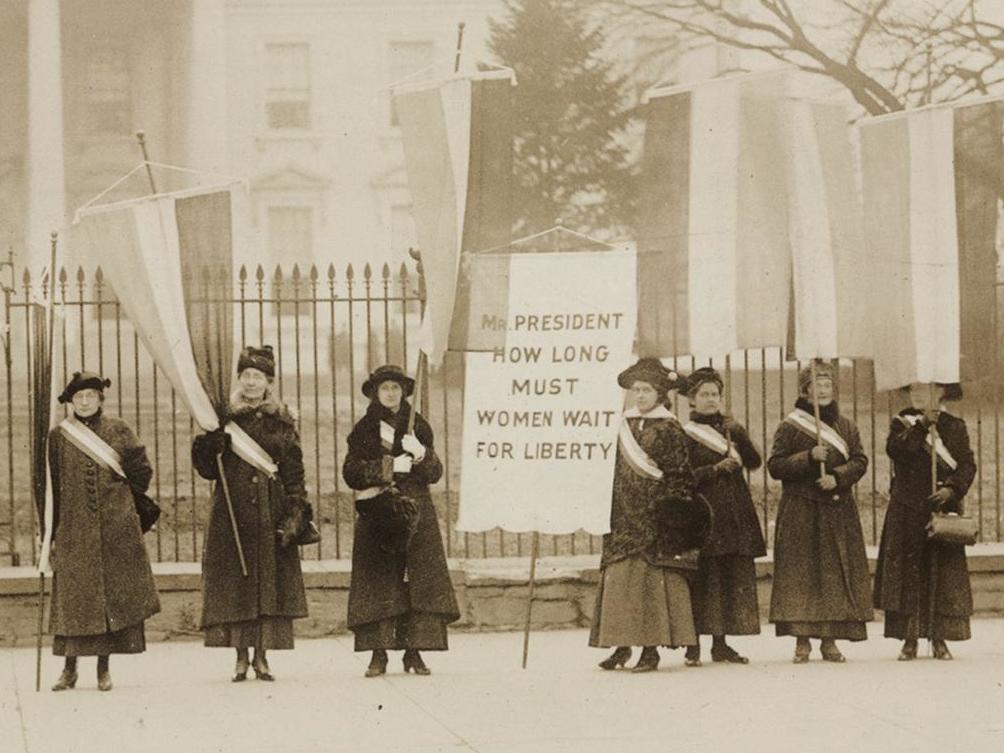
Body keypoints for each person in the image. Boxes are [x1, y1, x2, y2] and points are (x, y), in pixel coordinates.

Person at [192, 346, 309, 682]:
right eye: (246, 376)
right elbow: (206, 470)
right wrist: (208, 446)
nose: (251, 383)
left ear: (269, 382)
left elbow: (293, 467)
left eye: (258, 377)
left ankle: (262, 657)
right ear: (239, 380)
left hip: (271, 510)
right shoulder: (221, 418)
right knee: (237, 585)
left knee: (267, 585)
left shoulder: (282, 420)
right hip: (232, 510)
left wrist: (296, 508)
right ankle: (240, 657)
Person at [589, 358, 710, 673]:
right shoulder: (623, 425)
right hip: (621, 516)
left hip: (653, 518)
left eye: (646, 390)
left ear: (660, 395)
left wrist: (668, 512)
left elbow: (680, 477)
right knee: (619, 583)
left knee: (648, 586)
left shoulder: (669, 428)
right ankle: (620, 646)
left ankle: (650, 650)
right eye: (636, 390)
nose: (639, 396)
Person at [343, 364, 460, 677]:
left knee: (416, 582)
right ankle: (378, 654)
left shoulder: (417, 426)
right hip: (379, 511)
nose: (390, 393)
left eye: (395, 388)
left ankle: (414, 652)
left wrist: (421, 454)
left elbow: (434, 474)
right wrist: (388, 466)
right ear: (376, 393)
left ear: (403, 391)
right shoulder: (364, 429)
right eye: (385, 389)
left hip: (415, 510)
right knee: (379, 582)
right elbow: (351, 472)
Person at [47, 371, 160, 692]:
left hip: (115, 527)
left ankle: (103, 669)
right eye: (78, 397)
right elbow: (50, 485)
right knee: (74, 601)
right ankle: (69, 670)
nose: (84, 402)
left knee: (109, 600)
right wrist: (51, 532)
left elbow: (141, 469)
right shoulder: (58, 437)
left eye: (91, 396)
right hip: (74, 530)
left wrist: (123, 498)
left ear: (100, 400)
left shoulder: (118, 429)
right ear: (70, 402)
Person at [767, 361, 872, 663]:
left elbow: (861, 460)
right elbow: (776, 466)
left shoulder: (847, 426)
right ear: (805, 390)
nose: (823, 390)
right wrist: (808, 458)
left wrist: (837, 476)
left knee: (832, 573)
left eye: (828, 385)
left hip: (836, 507)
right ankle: (802, 642)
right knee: (801, 574)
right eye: (817, 385)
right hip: (801, 507)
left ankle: (829, 640)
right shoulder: (790, 426)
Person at [873, 382, 976, 660]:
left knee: (942, 576)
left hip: (942, 507)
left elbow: (967, 464)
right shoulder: (901, 424)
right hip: (907, 509)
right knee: (909, 574)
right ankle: (910, 639)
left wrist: (951, 489)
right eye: (913, 391)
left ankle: (940, 638)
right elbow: (897, 452)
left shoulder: (955, 426)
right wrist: (921, 427)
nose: (917, 395)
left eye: (924, 390)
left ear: (939, 392)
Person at [680, 367, 766, 666]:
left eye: (715, 394)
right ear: (692, 400)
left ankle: (721, 644)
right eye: (704, 395)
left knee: (726, 577)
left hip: (733, 514)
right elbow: (681, 477)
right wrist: (715, 470)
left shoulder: (730, 430)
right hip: (704, 513)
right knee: (704, 579)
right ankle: (693, 646)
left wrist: (741, 433)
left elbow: (754, 463)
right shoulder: (686, 434)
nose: (711, 399)